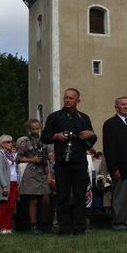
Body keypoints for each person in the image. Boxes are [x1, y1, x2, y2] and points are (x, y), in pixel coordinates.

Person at [42, 88, 98, 236]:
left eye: (71, 98)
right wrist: (56, 136)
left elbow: (92, 141)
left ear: (78, 101)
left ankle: (79, 228)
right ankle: (64, 228)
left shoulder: (83, 118)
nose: (67, 100)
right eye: (65, 97)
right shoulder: (55, 117)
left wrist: (91, 134)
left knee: (80, 196)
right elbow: (44, 136)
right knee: (63, 197)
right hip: (62, 162)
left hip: (79, 161)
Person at [102, 96, 127, 231]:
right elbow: (109, 148)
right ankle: (119, 223)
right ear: (116, 107)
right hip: (120, 168)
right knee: (120, 197)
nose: (126, 106)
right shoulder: (110, 124)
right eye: (123, 104)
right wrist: (114, 168)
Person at [16, 119, 52, 234]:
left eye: (37, 128)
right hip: (32, 172)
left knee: (46, 200)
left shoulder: (44, 141)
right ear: (29, 130)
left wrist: (49, 173)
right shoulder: (25, 142)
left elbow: (48, 158)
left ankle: (46, 224)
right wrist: (32, 159)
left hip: (43, 172)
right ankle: (34, 225)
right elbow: (18, 159)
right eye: (33, 129)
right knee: (34, 201)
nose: (36, 131)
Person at [0, 135, 18, 234]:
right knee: (4, 206)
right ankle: (2, 227)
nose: (10, 143)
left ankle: (8, 227)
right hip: (6, 183)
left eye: (11, 141)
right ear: (2, 144)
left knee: (11, 206)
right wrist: (4, 185)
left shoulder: (12, 155)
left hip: (14, 181)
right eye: (8, 142)